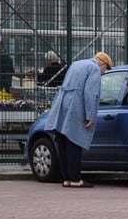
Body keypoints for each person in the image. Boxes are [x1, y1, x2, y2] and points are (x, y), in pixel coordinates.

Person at [43, 52, 111, 189]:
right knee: (75, 141)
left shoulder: (77, 64)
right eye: (106, 69)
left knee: (62, 141)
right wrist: (90, 115)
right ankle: (75, 179)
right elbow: (91, 93)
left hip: (61, 105)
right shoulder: (94, 68)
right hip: (76, 107)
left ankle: (67, 178)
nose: (103, 72)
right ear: (103, 63)